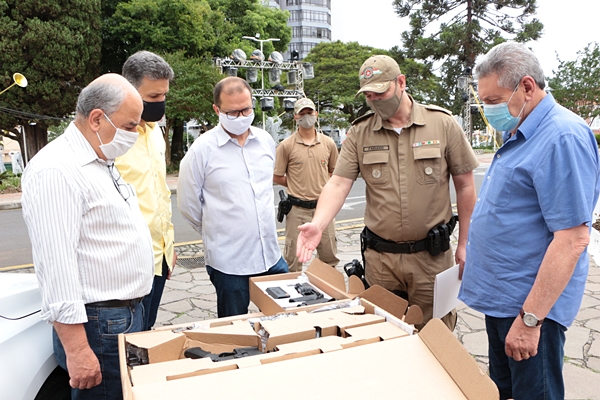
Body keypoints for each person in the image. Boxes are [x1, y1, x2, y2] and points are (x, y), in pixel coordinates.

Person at [459, 42, 600, 400]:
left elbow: (572, 239)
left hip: (529, 308)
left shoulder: (562, 136)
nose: (488, 109)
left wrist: (531, 320)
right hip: (504, 299)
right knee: (505, 391)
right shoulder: (519, 128)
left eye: (493, 100)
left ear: (526, 86)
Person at [296, 55, 478, 330]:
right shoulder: (360, 132)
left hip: (430, 260)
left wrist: (465, 243)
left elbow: (465, 185)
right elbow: (338, 183)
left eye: (381, 92)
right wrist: (319, 224)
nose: (375, 100)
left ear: (401, 82)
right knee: (383, 334)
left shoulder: (442, 124)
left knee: (435, 335)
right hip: (381, 262)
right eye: (369, 95)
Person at [21, 74, 154, 399]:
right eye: (130, 125)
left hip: (123, 315)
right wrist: (78, 350)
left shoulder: (100, 160)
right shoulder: (57, 170)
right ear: (97, 118)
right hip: (98, 324)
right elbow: (56, 266)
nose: (135, 134)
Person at [177, 76, 288, 318]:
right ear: (217, 110)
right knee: (235, 330)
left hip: (270, 256)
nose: (241, 116)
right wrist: (216, 230)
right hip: (229, 263)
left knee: (284, 320)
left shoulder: (265, 141)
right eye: (232, 112)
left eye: (246, 109)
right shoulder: (202, 151)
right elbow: (188, 205)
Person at [116, 51, 176, 331]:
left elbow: (160, 193)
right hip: (129, 262)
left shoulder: (154, 133)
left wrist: (169, 246)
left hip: (159, 258)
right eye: (153, 98)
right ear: (130, 91)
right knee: (128, 338)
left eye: (164, 96)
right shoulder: (112, 139)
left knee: (147, 330)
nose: (160, 103)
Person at [273, 97, 339, 272]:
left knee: (329, 258)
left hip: (323, 209)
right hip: (297, 210)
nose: (306, 116)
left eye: (309, 112)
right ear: (295, 117)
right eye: (302, 113)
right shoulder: (286, 146)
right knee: (293, 260)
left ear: (316, 114)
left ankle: (329, 295)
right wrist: (296, 182)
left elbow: (334, 173)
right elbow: (277, 176)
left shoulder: (329, 143)